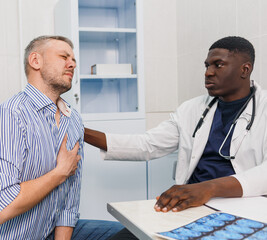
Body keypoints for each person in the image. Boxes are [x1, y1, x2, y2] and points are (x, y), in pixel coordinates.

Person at [85, 36, 267, 239]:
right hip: (192, 205)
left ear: (245, 69)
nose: (208, 72)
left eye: (218, 65)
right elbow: (147, 145)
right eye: (207, 65)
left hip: (243, 208)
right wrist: (81, 131)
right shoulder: (192, 108)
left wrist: (209, 188)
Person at [0, 35, 122, 240]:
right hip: (3, 236)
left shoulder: (72, 118)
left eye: (73, 59)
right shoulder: (11, 115)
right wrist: (60, 173)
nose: (72, 63)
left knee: (132, 233)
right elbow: (0, 209)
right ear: (35, 61)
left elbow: (69, 203)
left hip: (45, 232)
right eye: (63, 56)